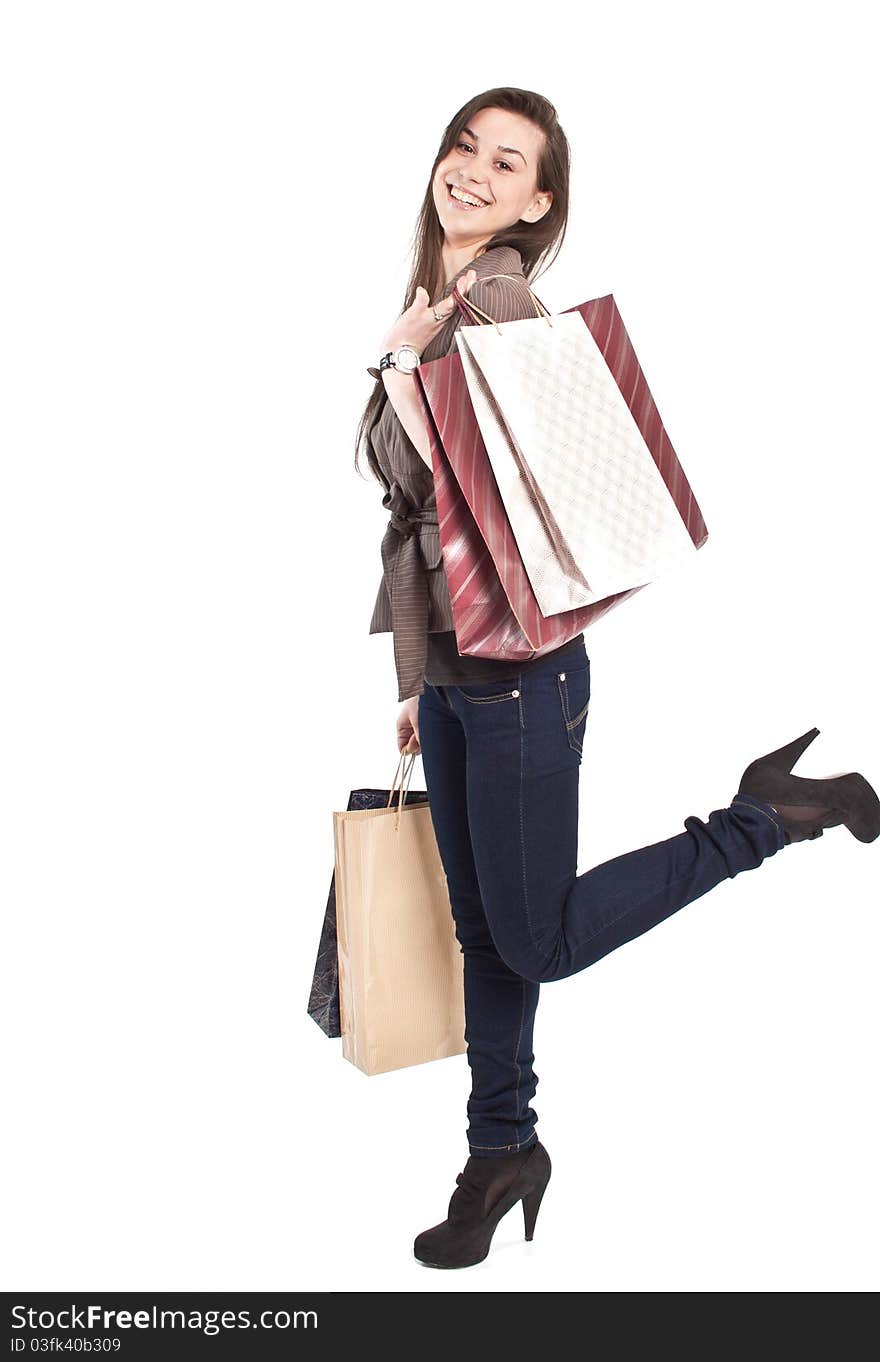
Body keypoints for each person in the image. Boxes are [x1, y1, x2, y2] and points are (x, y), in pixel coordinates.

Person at [355, 87, 880, 1270]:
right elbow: (416, 514)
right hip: (454, 674)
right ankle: (502, 1152)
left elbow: (490, 486)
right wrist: (413, 672)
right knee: (486, 935)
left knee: (529, 942)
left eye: (508, 162)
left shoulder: (492, 300)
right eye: (463, 147)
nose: (473, 172)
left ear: (538, 202)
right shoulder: (432, 300)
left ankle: (765, 820)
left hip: (522, 678)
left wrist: (400, 381)